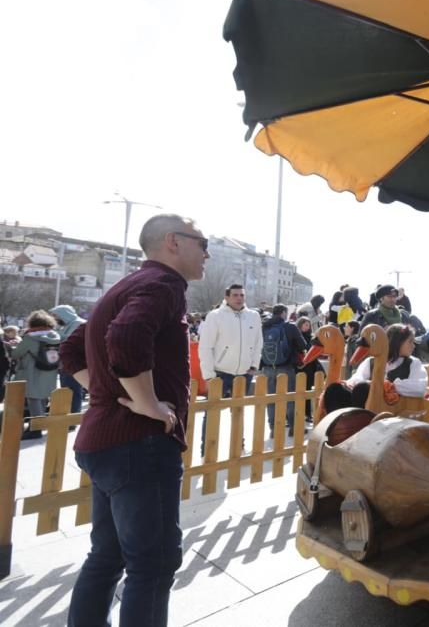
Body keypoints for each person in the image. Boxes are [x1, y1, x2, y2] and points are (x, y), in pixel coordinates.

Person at [62, 213, 208, 627]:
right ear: (172, 243)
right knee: (153, 565)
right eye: (203, 242)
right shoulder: (163, 284)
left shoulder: (128, 284)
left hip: (104, 443)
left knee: (107, 556)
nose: (207, 254)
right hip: (139, 445)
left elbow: (73, 349)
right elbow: (125, 338)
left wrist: (111, 391)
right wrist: (144, 402)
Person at [197, 284, 262, 454]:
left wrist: (254, 365)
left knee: (239, 411)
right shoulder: (215, 316)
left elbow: (258, 343)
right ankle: (206, 449)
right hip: (220, 372)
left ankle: (238, 445)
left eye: (242, 295)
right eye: (235, 295)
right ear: (227, 297)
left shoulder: (253, 316)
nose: (239, 298)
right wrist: (209, 375)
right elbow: (205, 346)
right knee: (212, 412)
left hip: (244, 373)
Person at [322, 324, 426, 412]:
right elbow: (358, 378)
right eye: (410, 341)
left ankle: (359, 422)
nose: (413, 346)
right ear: (397, 342)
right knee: (335, 389)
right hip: (367, 403)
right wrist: (350, 384)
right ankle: (341, 422)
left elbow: (420, 387)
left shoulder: (413, 363)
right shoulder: (371, 361)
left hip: (394, 411)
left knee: (364, 388)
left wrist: (388, 386)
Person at [10, 310, 62, 440]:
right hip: (50, 372)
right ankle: (39, 424)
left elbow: (16, 354)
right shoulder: (56, 336)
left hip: (32, 372)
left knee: (33, 399)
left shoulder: (30, 337)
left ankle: (36, 429)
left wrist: (13, 347)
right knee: (43, 398)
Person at [261, 304, 308, 436]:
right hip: (286, 367)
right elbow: (303, 345)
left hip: (267, 367)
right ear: (283, 313)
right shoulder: (290, 326)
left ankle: (273, 429)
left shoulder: (264, 327)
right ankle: (293, 427)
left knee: (271, 399)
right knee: (290, 398)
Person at [50, 304, 87, 417]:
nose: (55, 319)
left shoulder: (78, 323)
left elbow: (68, 341)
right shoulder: (68, 325)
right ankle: (68, 416)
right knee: (67, 390)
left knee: (73, 391)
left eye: (56, 316)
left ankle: (72, 418)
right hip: (66, 364)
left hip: (75, 363)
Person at [296, 316, 325, 423]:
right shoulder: (297, 337)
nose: (308, 327)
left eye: (308, 325)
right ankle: (300, 413)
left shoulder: (312, 338)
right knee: (301, 390)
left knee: (308, 390)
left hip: (311, 367)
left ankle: (308, 414)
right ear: (300, 325)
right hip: (301, 367)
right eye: (305, 325)